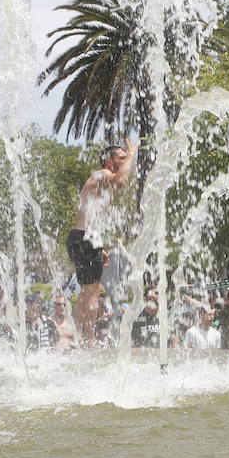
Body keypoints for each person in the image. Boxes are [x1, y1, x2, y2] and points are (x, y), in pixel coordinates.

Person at [67, 139, 137, 345]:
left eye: (125, 159)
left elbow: (92, 218)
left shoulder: (102, 181)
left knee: (87, 291)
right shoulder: (103, 174)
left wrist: (100, 246)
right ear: (108, 161)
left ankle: (77, 337)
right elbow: (121, 180)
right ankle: (89, 340)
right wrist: (132, 153)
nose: (125, 162)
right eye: (121, 158)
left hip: (85, 238)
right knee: (92, 292)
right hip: (83, 239)